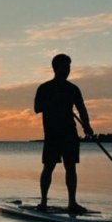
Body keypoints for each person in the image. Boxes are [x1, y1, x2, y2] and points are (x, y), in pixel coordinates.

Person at [34, 54, 93, 213]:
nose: (67, 70)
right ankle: (44, 202)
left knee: (71, 167)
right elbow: (37, 108)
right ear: (55, 68)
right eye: (64, 67)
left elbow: (81, 109)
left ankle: (72, 203)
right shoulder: (45, 88)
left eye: (68, 67)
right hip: (52, 133)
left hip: (69, 133)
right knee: (49, 166)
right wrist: (53, 101)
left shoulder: (73, 89)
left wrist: (87, 126)